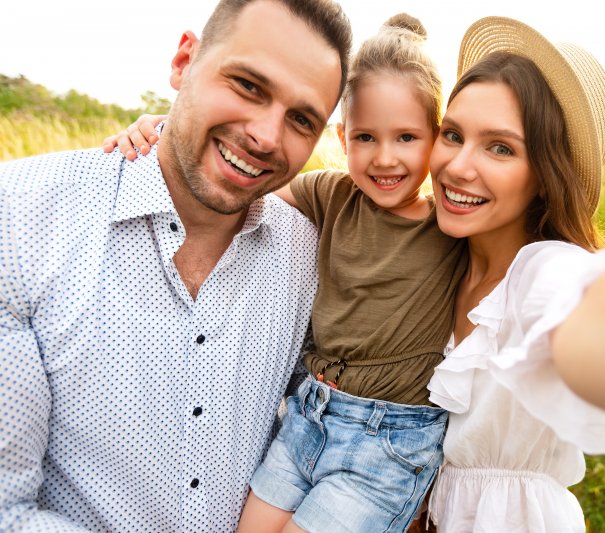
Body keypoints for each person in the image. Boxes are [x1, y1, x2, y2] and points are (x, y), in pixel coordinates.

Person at [105, 14, 465, 533]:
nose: (384, 158)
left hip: (389, 439)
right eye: (366, 137)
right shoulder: (333, 196)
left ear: (437, 138)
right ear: (342, 138)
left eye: (407, 137)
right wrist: (163, 129)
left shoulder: (448, 226)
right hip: (308, 416)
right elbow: (234, 177)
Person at [0, 1, 351, 531]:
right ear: (185, 60)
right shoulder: (22, 218)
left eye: (301, 119)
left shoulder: (308, 254)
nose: (265, 137)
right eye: (248, 85)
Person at [423, 17, 605, 531]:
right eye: (452, 134)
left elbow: (587, 303)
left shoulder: (546, 269)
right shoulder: (433, 258)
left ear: (545, 176)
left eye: (500, 148)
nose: (457, 166)